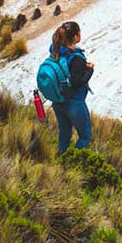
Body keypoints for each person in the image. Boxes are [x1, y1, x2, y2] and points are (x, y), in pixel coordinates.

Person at [49, 21, 93, 154]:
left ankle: (61, 162)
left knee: (64, 135)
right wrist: (90, 70)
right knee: (85, 136)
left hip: (58, 101)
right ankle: (76, 162)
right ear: (75, 37)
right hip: (75, 102)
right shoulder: (76, 58)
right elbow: (77, 82)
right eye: (78, 32)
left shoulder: (55, 51)